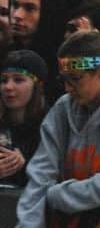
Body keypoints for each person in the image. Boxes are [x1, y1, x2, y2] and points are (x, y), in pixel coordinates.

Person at [17, 31, 100, 228]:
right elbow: (41, 173)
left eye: (75, 79)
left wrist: (58, 195)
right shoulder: (63, 107)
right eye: (64, 80)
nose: (68, 88)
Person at [0, 49, 49, 185]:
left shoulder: (52, 123)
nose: (8, 87)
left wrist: (25, 166)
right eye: (3, 80)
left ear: (38, 85)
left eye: (18, 80)